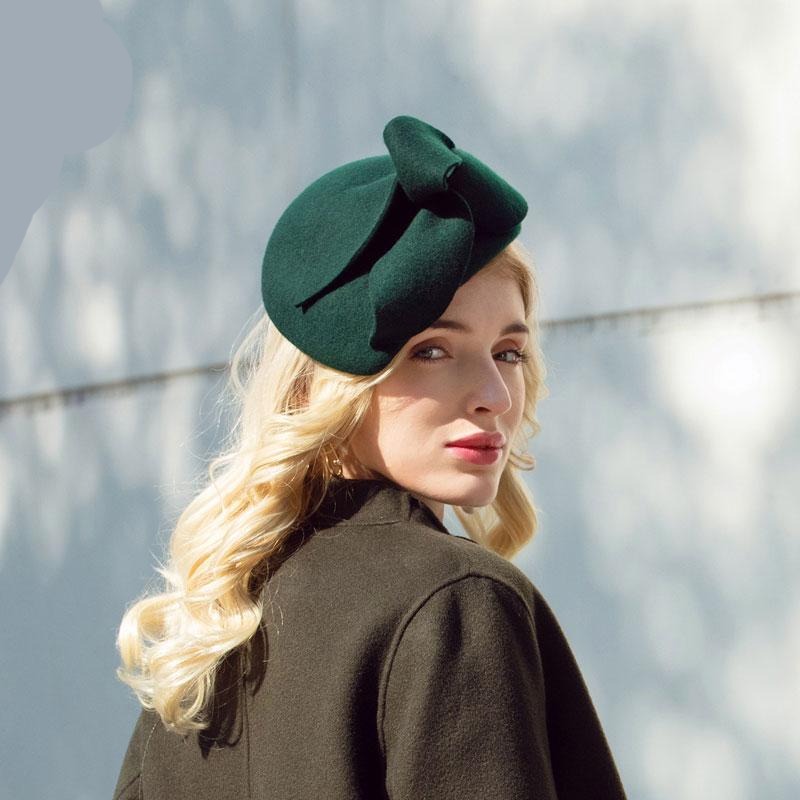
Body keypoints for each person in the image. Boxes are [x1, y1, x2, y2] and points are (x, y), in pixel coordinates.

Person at [112, 114, 629, 799]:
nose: (496, 396)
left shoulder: (210, 630)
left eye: (509, 352)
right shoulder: (453, 603)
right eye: (432, 350)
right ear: (326, 384)